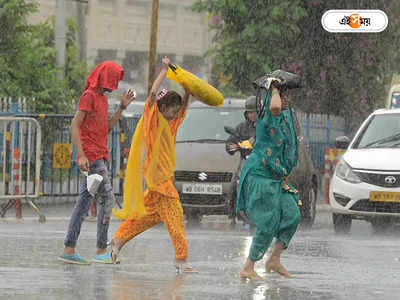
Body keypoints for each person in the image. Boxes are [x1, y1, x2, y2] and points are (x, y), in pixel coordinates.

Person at [110, 56, 196, 273]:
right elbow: (151, 95)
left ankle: (117, 241)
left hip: (160, 182)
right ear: (164, 107)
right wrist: (164, 70)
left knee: (144, 218)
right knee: (176, 217)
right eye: (172, 109)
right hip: (161, 183)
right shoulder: (153, 120)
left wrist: (188, 89)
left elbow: (184, 107)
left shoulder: (172, 123)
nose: (176, 113)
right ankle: (181, 258)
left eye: (177, 110)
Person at [58, 61, 135, 264]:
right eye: (115, 78)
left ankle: (69, 248)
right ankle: (100, 250)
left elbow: (106, 128)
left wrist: (121, 107)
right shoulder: (89, 96)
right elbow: (74, 125)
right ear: (106, 76)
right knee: (107, 199)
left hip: (100, 156)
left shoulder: (101, 98)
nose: (116, 83)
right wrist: (81, 155)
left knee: (84, 202)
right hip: (91, 159)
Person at [237, 79, 301, 280]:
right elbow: (274, 106)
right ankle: (248, 266)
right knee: (267, 223)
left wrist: (282, 98)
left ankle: (274, 259)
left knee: (292, 214)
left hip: (277, 176)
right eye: (284, 95)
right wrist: (273, 88)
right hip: (261, 174)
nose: (286, 99)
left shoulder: (285, 116)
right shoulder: (268, 114)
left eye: (286, 95)